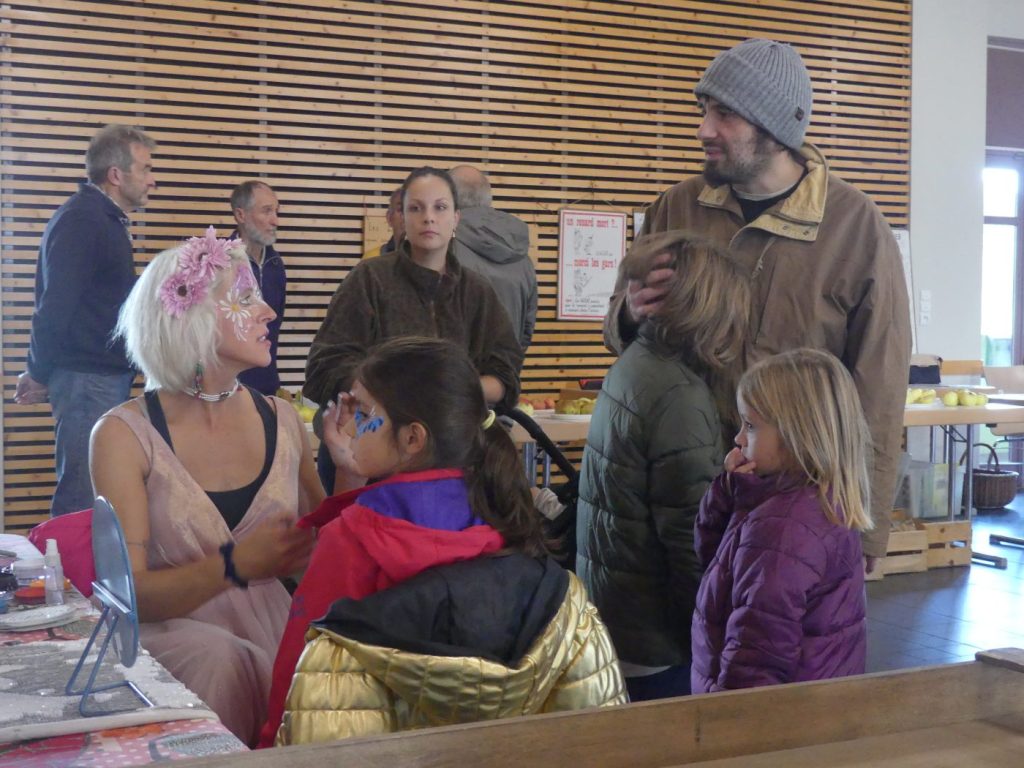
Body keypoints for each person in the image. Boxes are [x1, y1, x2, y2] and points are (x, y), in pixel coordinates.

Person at [604, 38, 911, 571]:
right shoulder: (675, 208)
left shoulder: (856, 227)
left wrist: (866, 530)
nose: (704, 130)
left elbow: (878, 391)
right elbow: (617, 333)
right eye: (704, 111)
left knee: (768, 625)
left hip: (794, 511)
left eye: (724, 114)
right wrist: (630, 313)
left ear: (774, 128)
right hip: (674, 495)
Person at [263, 337, 625, 747]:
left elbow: (302, 676)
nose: (348, 427)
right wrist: (352, 474)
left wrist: (266, 743)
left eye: (362, 414)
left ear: (413, 439)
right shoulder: (505, 512)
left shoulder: (352, 540)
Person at [89, 227, 322, 745]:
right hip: (176, 645)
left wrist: (349, 469)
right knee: (217, 658)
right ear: (188, 315)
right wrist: (235, 566)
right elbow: (127, 596)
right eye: (246, 299)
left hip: (279, 634)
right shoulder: (123, 435)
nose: (269, 313)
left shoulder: (283, 420)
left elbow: (322, 562)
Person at [576, 232, 750, 702]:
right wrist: (714, 630)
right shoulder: (679, 396)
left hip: (619, 614)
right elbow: (690, 539)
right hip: (657, 636)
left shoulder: (638, 360)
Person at [304, 166, 523, 492]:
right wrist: (394, 394)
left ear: (456, 218)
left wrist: (449, 391)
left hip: (451, 461)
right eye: (416, 208)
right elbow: (324, 368)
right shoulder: (369, 279)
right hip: (366, 459)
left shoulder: (477, 292)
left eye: (440, 207)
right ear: (402, 217)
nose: (428, 218)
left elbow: (505, 375)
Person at [691, 348, 871, 692]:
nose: (738, 439)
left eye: (750, 426)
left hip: (763, 715)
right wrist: (732, 492)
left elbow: (756, 659)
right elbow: (720, 568)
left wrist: (726, 718)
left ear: (797, 436)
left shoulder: (783, 529)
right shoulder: (808, 503)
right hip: (814, 703)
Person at [15, 124, 156, 517]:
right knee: (81, 499)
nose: (153, 179)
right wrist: (37, 372)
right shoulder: (84, 220)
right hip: (86, 381)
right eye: (145, 169)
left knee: (98, 497)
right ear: (116, 175)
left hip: (97, 379)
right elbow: (55, 305)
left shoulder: (101, 219)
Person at [450, 164, 537, 355]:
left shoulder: (444, 249)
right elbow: (527, 327)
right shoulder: (523, 257)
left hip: (453, 368)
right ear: (487, 196)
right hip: (506, 367)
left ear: (449, 197)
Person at [230, 180, 286, 396]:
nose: (275, 220)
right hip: (230, 385)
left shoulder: (276, 264)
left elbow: (275, 325)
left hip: (267, 383)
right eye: (267, 211)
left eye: (276, 211)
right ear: (241, 215)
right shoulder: (221, 262)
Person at [362, 186, 405, 259]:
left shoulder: (427, 261)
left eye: (414, 209)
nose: (408, 216)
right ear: (389, 218)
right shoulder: (372, 259)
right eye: (401, 210)